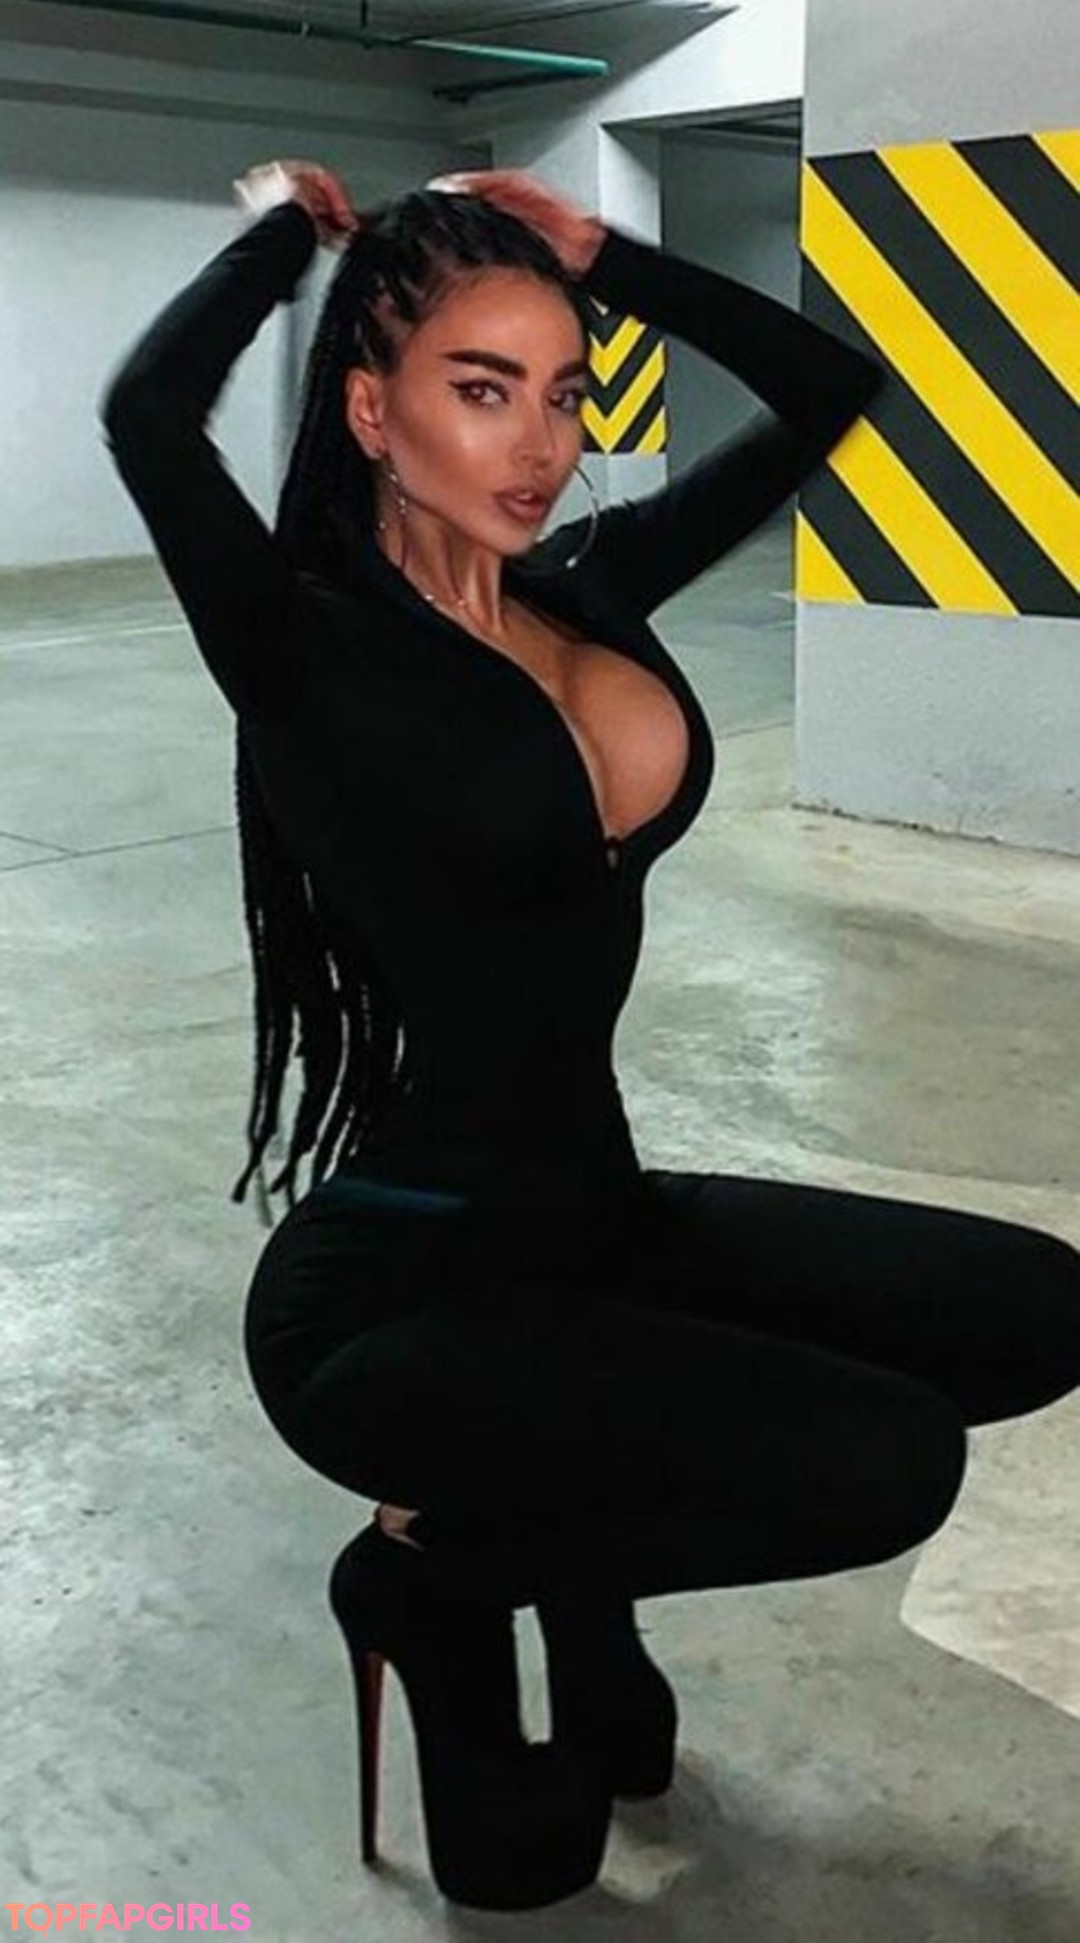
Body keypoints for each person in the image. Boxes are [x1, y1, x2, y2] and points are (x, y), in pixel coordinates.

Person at [99, 158, 1080, 1913]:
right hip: (397, 1294)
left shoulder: (589, 587)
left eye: (563, 393)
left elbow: (831, 389)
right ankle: (440, 1582)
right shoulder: (301, 648)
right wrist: (286, 235)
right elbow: (147, 416)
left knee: (1040, 1310)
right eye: (483, 390)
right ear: (373, 412)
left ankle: (536, 1559)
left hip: (592, 1219)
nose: (540, 443)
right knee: (871, 1480)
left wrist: (605, 255)